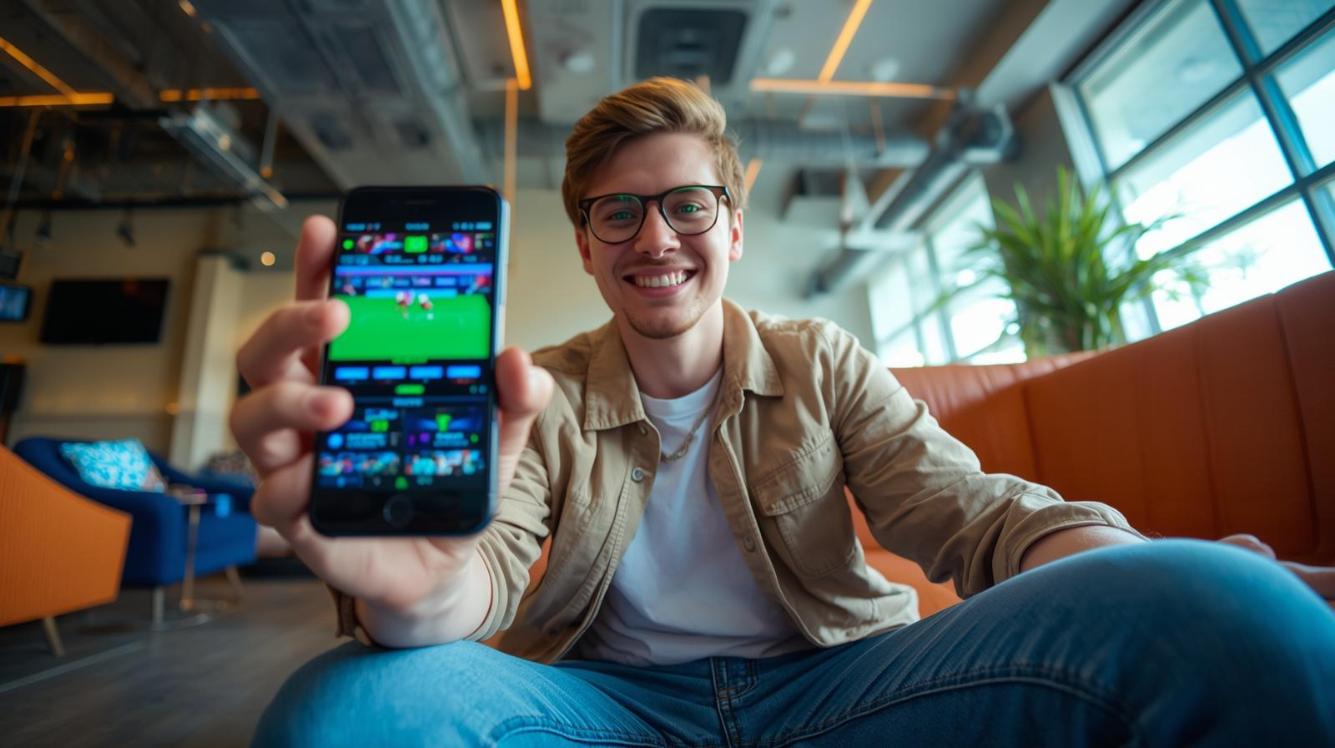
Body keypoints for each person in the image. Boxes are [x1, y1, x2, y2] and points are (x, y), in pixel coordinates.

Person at [232, 77, 1335, 746]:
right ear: (585, 244)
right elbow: (476, 571)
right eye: (618, 212)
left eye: (686, 205)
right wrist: (419, 597)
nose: (655, 237)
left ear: (735, 227)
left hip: (847, 689)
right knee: (333, 714)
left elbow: (974, 514)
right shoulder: (545, 391)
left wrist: (1132, 565)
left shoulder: (821, 361)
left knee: (1226, 610)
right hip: (606, 711)